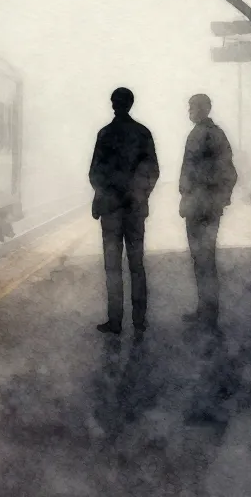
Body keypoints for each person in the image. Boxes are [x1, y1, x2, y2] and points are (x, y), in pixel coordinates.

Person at [89, 87, 160, 336]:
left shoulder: (105, 134)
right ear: (131, 104)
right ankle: (139, 320)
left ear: (114, 104)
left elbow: (95, 172)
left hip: (111, 209)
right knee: (136, 265)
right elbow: (152, 171)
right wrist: (139, 195)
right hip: (135, 209)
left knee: (112, 267)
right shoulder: (142, 133)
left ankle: (115, 320)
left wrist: (106, 194)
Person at [178, 94, 237, 330]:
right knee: (204, 259)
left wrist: (199, 196)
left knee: (203, 259)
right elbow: (228, 172)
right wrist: (220, 200)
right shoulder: (214, 134)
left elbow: (220, 172)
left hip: (200, 206)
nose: (189, 111)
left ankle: (208, 313)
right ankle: (206, 310)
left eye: (192, 107)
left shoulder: (204, 134)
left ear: (204, 109)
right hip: (204, 205)